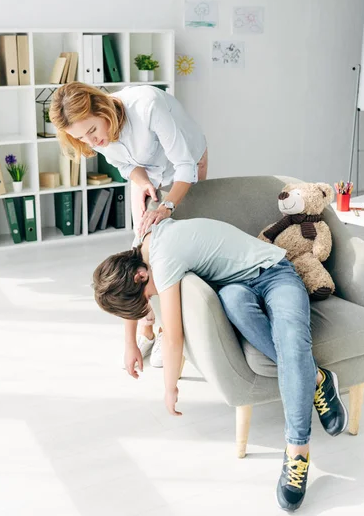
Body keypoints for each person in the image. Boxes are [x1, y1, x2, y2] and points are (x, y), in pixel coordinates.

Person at [92, 217, 348, 512]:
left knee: (292, 340)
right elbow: (127, 289)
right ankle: (316, 377)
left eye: (148, 296)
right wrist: (130, 343)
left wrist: (170, 388)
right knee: (236, 304)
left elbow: (174, 337)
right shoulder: (141, 246)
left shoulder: (162, 261)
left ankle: (297, 451)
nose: (153, 299)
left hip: (275, 272)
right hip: (235, 288)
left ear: (140, 276)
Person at [49, 82, 207, 372]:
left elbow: (186, 166)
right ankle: (145, 326)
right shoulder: (94, 133)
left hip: (187, 164)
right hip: (147, 169)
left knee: (172, 254)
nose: (92, 142)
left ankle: (167, 332)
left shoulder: (147, 106)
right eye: (81, 137)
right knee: (139, 247)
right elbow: (124, 166)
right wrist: (143, 181)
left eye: (93, 132)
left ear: (102, 108)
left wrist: (167, 206)